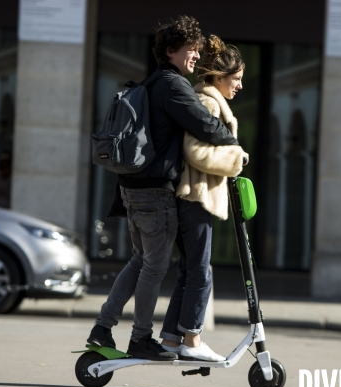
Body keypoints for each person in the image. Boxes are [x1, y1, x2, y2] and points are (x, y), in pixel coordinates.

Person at [86, 16, 239, 361]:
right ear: (171, 50)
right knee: (154, 267)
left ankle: (103, 326)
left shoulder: (153, 82)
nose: (197, 57)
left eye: (199, 50)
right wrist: (234, 144)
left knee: (141, 261)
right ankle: (140, 338)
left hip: (132, 188)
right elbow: (206, 126)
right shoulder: (173, 86)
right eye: (191, 50)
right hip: (155, 192)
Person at [159, 35, 248, 361]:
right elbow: (195, 152)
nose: (239, 86)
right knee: (200, 270)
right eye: (236, 79)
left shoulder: (209, 100)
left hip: (196, 197)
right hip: (195, 196)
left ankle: (171, 339)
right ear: (217, 77)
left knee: (189, 270)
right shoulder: (209, 102)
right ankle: (192, 340)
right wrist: (236, 159)